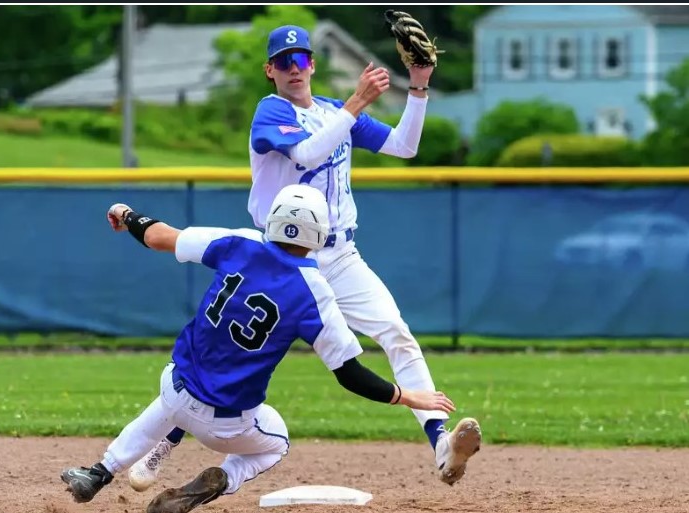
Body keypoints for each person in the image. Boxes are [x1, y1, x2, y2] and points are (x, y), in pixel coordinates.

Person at [131, 24, 482, 491]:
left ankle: (441, 444)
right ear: (270, 71)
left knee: (397, 334)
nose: (293, 69)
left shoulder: (336, 111)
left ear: (314, 64)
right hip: (280, 258)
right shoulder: (271, 111)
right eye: (283, 62)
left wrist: (417, 86)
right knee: (231, 352)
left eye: (301, 60)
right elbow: (304, 153)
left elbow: (405, 145)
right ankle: (163, 445)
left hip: (341, 255)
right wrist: (356, 103)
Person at [61, 184, 459, 513]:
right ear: (320, 234)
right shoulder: (315, 292)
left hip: (176, 386)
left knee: (172, 397)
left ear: (274, 221)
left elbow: (157, 236)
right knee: (277, 442)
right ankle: (224, 479)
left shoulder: (241, 242)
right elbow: (349, 374)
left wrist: (126, 213)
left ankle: (99, 471)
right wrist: (408, 396)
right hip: (226, 425)